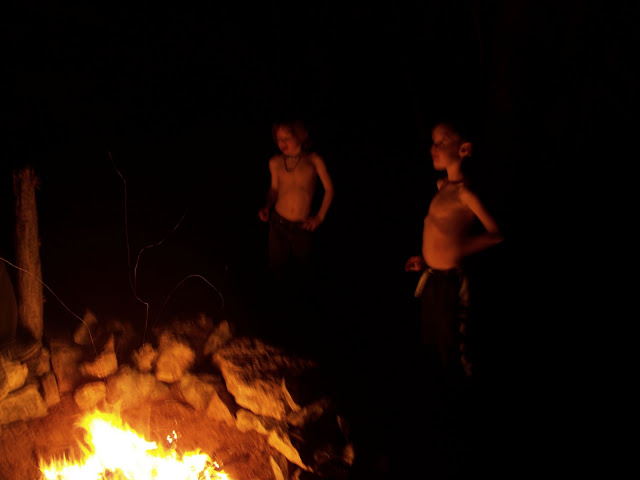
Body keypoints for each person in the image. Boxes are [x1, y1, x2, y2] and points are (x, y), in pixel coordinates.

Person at [405, 119, 504, 382]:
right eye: (433, 142)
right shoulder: (442, 187)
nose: (433, 148)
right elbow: (440, 230)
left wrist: (458, 249)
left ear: (464, 149)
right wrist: (426, 259)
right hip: (433, 277)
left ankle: (462, 391)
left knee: (454, 343)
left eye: (442, 141)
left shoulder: (465, 194)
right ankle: (437, 387)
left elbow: (496, 234)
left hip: (452, 282)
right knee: (433, 338)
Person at [257, 117, 335, 348]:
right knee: (277, 271)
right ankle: (276, 322)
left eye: (287, 138)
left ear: (300, 136)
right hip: (278, 224)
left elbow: (330, 190)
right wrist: (267, 206)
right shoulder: (275, 162)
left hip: (302, 227)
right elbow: (274, 189)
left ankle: (305, 325)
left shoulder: (314, 160)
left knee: (304, 272)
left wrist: (319, 218)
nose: (282, 143)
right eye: (278, 139)